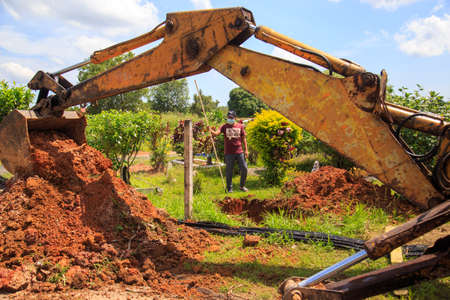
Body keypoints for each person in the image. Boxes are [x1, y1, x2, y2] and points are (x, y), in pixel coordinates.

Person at [210, 110, 249, 193]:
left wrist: (246, 150)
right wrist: (211, 131)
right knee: (229, 171)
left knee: (244, 168)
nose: (229, 119)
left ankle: (242, 186)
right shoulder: (224, 126)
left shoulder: (240, 126)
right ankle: (229, 188)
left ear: (235, 118)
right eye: (228, 117)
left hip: (239, 152)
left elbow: (243, 138)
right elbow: (216, 133)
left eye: (231, 117)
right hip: (229, 153)